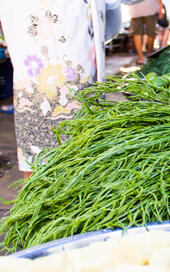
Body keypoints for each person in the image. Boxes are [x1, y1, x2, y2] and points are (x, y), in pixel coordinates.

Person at [0, 0, 106, 179]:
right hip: (70, 76)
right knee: (81, 160)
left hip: (39, 77)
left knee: (40, 164)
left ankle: (36, 202)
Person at [128, 0, 164, 64]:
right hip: (149, 8)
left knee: (137, 33)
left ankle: (140, 58)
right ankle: (149, 54)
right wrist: (160, 8)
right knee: (151, 33)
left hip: (135, 8)